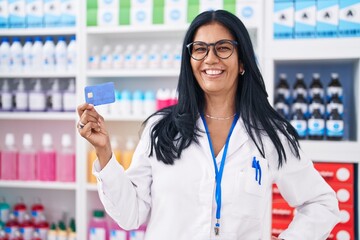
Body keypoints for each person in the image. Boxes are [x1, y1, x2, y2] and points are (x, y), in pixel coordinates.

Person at [77, 9, 340, 240]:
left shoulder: (270, 135)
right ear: (190, 61)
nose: (210, 59)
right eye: (200, 49)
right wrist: (105, 152)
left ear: (242, 63)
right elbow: (130, 215)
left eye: (223, 47)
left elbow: (322, 204)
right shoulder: (161, 129)